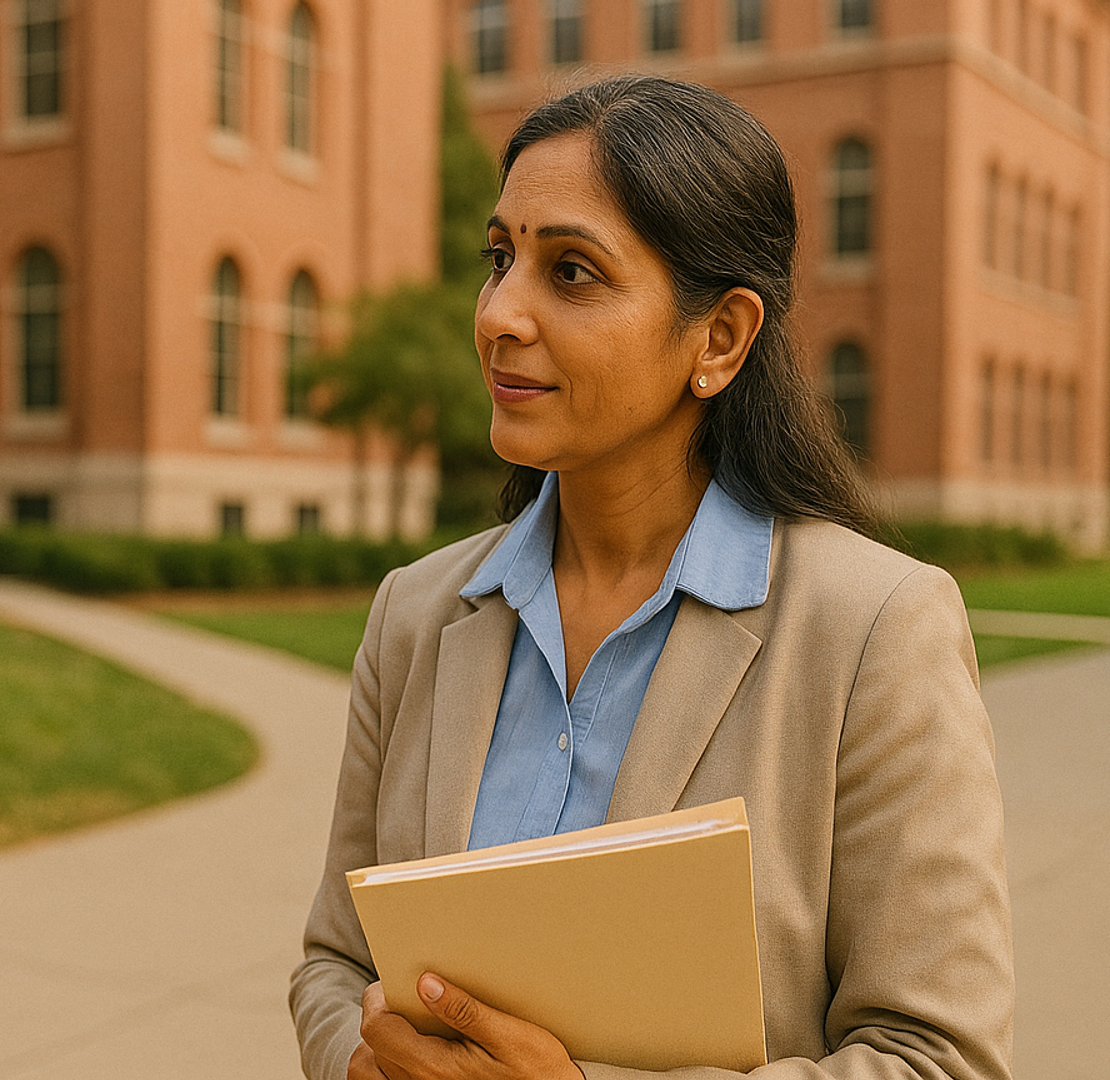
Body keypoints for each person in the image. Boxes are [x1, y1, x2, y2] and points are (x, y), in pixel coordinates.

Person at [289, 75, 1012, 1080]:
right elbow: (334, 960)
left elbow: (938, 1056)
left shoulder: (876, 630)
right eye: (500, 259)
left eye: (572, 273)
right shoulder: (413, 614)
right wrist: (365, 1066)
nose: (500, 314)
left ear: (719, 339)